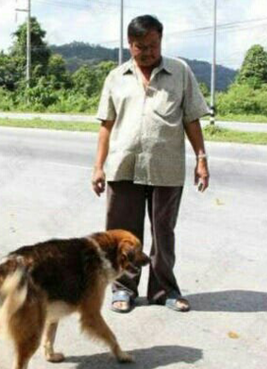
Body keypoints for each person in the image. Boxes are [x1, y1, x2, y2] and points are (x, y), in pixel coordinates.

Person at [91, 15, 210, 313]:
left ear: (161, 41)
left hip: (166, 168)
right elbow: (106, 125)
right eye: (140, 47)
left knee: (164, 232)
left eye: (154, 45)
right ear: (129, 45)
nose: (148, 52)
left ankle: (164, 290)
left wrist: (201, 159)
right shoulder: (116, 77)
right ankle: (123, 288)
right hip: (123, 166)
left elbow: (191, 119)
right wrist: (98, 166)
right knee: (122, 235)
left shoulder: (180, 71)